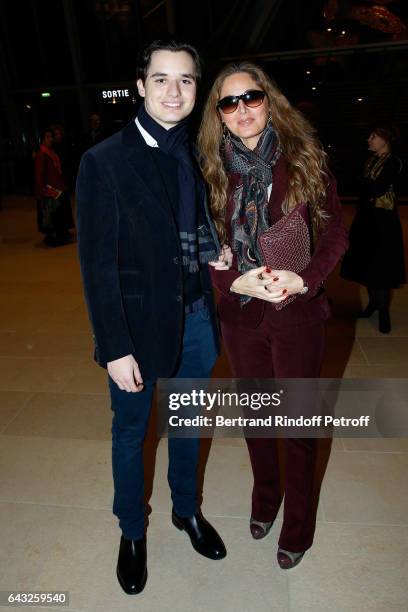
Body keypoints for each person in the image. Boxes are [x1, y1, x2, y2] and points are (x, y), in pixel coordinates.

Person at [76, 40, 230, 596]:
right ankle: (132, 532)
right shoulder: (104, 162)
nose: (173, 91)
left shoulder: (196, 153)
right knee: (131, 433)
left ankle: (185, 511)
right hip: (136, 331)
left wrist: (214, 250)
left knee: (189, 423)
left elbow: (194, 226)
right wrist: (114, 348)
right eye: (161, 79)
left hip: (194, 321)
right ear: (140, 87)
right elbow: (96, 266)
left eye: (185, 80)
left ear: (196, 90)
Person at [198, 62, 348, 569]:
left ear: (269, 101)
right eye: (228, 102)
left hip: (297, 316)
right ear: (218, 114)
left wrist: (305, 278)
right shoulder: (210, 171)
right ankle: (266, 500)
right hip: (241, 319)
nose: (242, 110)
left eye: (251, 97)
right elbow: (199, 246)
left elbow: (335, 236)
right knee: (258, 421)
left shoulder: (307, 160)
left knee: (297, 428)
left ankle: (298, 526)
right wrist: (228, 279)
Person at [341, 126, 405, 333]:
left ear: (384, 140)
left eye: (373, 137)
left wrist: (364, 184)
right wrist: (365, 185)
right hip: (367, 218)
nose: (369, 140)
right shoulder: (370, 161)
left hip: (384, 221)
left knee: (381, 267)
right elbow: (361, 186)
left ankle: (383, 310)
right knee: (366, 264)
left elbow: (377, 188)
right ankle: (372, 304)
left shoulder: (393, 162)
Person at [34, 128, 74, 246]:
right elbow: (39, 174)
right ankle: (51, 237)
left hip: (57, 186)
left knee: (58, 212)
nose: (50, 139)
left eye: (51, 137)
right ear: (42, 139)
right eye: (47, 137)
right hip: (49, 189)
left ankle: (61, 233)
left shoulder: (51, 152)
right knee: (50, 214)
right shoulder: (42, 154)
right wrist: (43, 190)